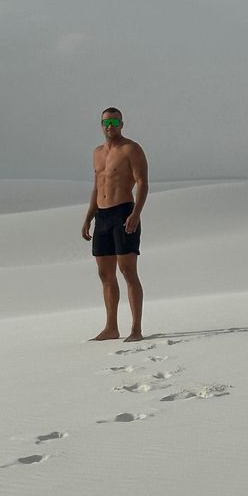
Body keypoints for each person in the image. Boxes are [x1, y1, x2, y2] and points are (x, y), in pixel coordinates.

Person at [81, 107, 149, 342]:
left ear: (122, 123)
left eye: (114, 121)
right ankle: (111, 327)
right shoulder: (97, 153)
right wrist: (89, 216)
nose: (110, 126)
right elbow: (97, 185)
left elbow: (142, 182)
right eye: (105, 122)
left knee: (128, 271)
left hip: (123, 213)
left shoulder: (131, 149)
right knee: (105, 273)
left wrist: (136, 213)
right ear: (101, 125)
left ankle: (136, 329)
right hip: (102, 216)